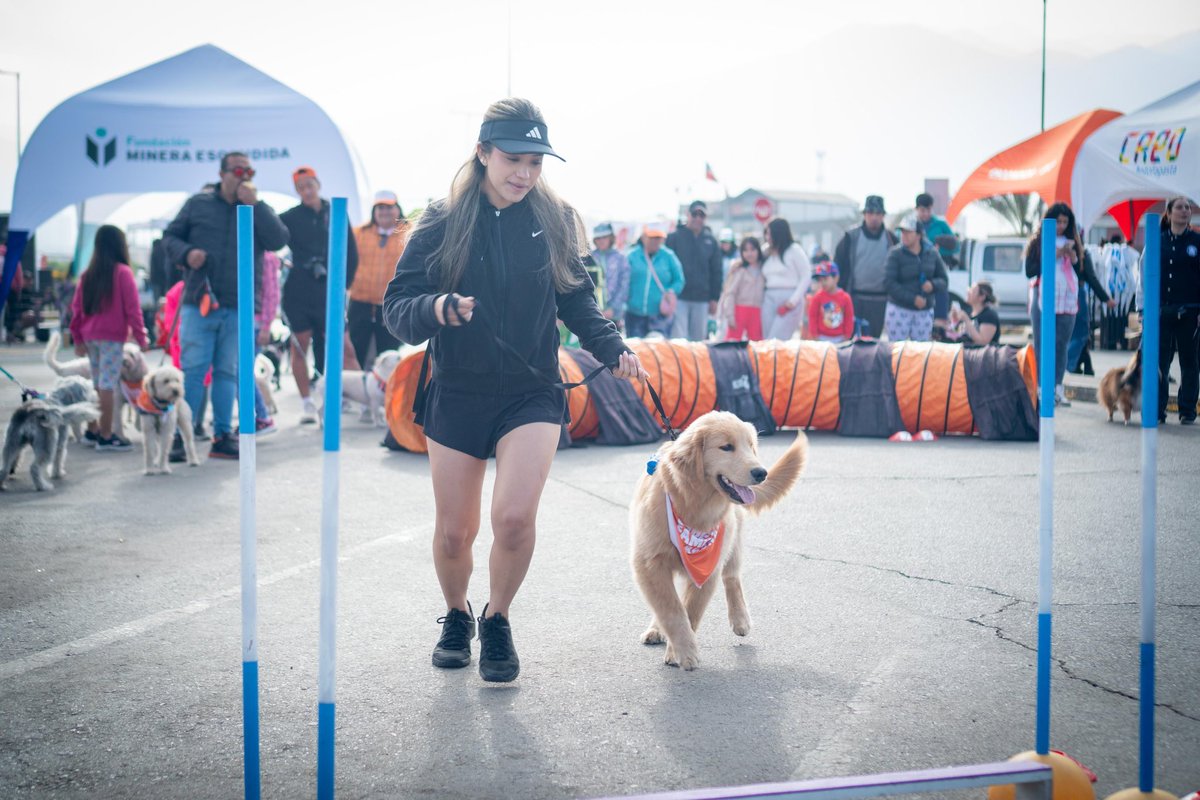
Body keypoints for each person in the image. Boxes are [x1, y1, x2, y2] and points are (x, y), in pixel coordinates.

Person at [382, 98, 647, 682]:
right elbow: (397, 310)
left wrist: (615, 348)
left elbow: (577, 300)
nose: (524, 173)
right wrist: (439, 308)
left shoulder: (554, 220)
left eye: (535, 161)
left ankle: (497, 619)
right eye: (513, 158)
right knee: (456, 531)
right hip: (457, 390)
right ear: (482, 154)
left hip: (532, 391)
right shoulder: (441, 219)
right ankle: (457, 615)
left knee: (515, 519)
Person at [162, 153, 288, 460]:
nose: (244, 175)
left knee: (227, 373)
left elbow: (278, 240)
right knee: (192, 371)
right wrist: (187, 252)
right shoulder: (198, 204)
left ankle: (221, 434)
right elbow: (169, 237)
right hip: (198, 301)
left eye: (249, 170)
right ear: (222, 174)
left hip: (239, 306)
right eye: (237, 170)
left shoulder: (257, 208)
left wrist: (255, 205)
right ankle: (182, 435)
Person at [280, 166, 360, 424]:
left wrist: (343, 286)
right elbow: (271, 237)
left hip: (330, 287)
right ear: (297, 190)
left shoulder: (334, 211)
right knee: (300, 346)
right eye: (300, 186)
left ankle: (355, 398)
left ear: (317, 184)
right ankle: (306, 403)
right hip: (299, 289)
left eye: (309, 184)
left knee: (345, 347)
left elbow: (351, 252)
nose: (306, 190)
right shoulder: (289, 217)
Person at [68, 225, 150, 450]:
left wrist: (77, 338)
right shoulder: (123, 272)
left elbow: (76, 309)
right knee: (108, 384)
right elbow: (133, 309)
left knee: (95, 383)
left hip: (89, 336)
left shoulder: (88, 275)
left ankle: (93, 430)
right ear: (119, 245)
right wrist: (142, 338)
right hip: (112, 338)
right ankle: (107, 435)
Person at [1024, 202, 1083, 407]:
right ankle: (1041, 387)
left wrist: (1073, 257)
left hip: (1067, 296)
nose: (1061, 226)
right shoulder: (1039, 242)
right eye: (1057, 221)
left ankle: (1058, 386)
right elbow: (1029, 270)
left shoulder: (1073, 241)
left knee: (1061, 344)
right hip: (1043, 295)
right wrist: (1055, 255)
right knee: (1042, 342)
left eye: (1065, 222)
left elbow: (1083, 273)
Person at [349, 190, 407, 370]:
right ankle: (355, 393)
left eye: (389, 207)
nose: (385, 212)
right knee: (354, 351)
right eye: (380, 207)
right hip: (360, 304)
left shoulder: (410, 234)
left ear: (398, 209)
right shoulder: (358, 233)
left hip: (392, 305)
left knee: (389, 355)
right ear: (374, 211)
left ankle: (388, 396)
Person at [1153, 196, 1199, 424]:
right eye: (1179, 207)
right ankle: (1157, 410)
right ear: (1169, 213)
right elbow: (1145, 277)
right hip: (1163, 311)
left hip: (1190, 311)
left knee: (1189, 363)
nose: (1184, 211)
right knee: (1160, 363)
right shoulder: (1158, 241)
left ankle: (1187, 410)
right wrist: (1145, 310)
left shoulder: (1196, 241)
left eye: (1187, 208)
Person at [834, 195, 896, 339]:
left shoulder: (892, 239)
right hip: (854, 298)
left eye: (878, 214)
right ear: (864, 214)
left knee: (873, 343)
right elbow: (838, 267)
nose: (874, 217)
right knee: (850, 341)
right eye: (870, 213)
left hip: (880, 301)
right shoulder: (850, 237)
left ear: (883, 216)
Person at [884, 215, 948, 342]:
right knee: (897, 352)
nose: (904, 235)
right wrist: (913, 299)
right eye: (902, 232)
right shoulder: (895, 254)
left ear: (918, 235)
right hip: (899, 309)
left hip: (924, 311)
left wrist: (933, 285)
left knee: (920, 353)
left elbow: (944, 280)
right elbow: (889, 283)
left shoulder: (932, 253)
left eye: (908, 232)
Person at [665, 200, 722, 340]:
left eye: (701, 215)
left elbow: (717, 271)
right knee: (678, 340)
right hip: (679, 297)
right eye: (694, 214)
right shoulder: (674, 237)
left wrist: (715, 298)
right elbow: (666, 268)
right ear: (688, 215)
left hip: (702, 299)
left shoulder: (711, 241)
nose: (697, 218)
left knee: (698, 342)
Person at [625, 222, 685, 338]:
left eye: (658, 238)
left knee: (658, 352)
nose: (655, 241)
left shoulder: (668, 256)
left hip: (659, 316)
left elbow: (679, 280)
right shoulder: (632, 256)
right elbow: (623, 281)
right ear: (643, 237)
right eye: (651, 237)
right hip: (634, 314)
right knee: (635, 351)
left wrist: (671, 291)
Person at [1066, 245, 1118, 375]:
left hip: (1066, 295)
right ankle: (1071, 363)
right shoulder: (1081, 253)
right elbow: (1091, 278)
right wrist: (1106, 299)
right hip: (1075, 295)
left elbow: (1091, 278)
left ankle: (1082, 364)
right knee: (1081, 333)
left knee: (1077, 333)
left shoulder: (1074, 252)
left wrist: (1105, 298)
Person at [914, 192, 959, 338]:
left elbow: (955, 246)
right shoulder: (910, 225)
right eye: (922, 210)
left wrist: (940, 247)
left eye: (928, 210)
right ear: (916, 209)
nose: (925, 213)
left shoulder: (941, 225)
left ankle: (939, 335)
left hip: (936, 273)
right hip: (915, 276)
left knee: (940, 305)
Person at [760, 217, 812, 340]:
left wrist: (793, 301)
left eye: (770, 233)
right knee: (766, 341)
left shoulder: (794, 250)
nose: (767, 237)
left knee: (777, 342)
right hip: (768, 298)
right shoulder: (766, 251)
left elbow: (806, 275)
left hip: (789, 298)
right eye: (766, 233)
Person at [717, 236, 766, 341]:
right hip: (739, 310)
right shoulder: (739, 270)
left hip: (757, 311)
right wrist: (730, 315)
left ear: (758, 250)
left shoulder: (764, 269)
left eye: (752, 250)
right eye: (745, 250)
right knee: (732, 343)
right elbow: (730, 293)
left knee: (756, 344)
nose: (749, 253)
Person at [591, 222, 630, 331]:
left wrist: (613, 308)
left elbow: (624, 286)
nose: (601, 240)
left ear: (611, 238)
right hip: (592, 313)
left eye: (604, 237)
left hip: (614, 315)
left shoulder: (621, 258)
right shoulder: (589, 258)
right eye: (598, 238)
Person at [805, 261, 855, 342]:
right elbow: (812, 317)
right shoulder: (817, 297)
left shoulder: (845, 298)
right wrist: (815, 335)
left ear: (836, 278)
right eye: (820, 280)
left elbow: (849, 318)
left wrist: (846, 336)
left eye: (825, 279)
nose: (823, 283)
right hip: (821, 338)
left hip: (840, 338)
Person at [950, 280, 1001, 345]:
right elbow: (957, 336)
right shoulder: (969, 313)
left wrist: (966, 320)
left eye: (972, 291)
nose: (968, 292)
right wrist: (954, 321)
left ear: (981, 297)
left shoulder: (989, 315)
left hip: (984, 354)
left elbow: (983, 342)